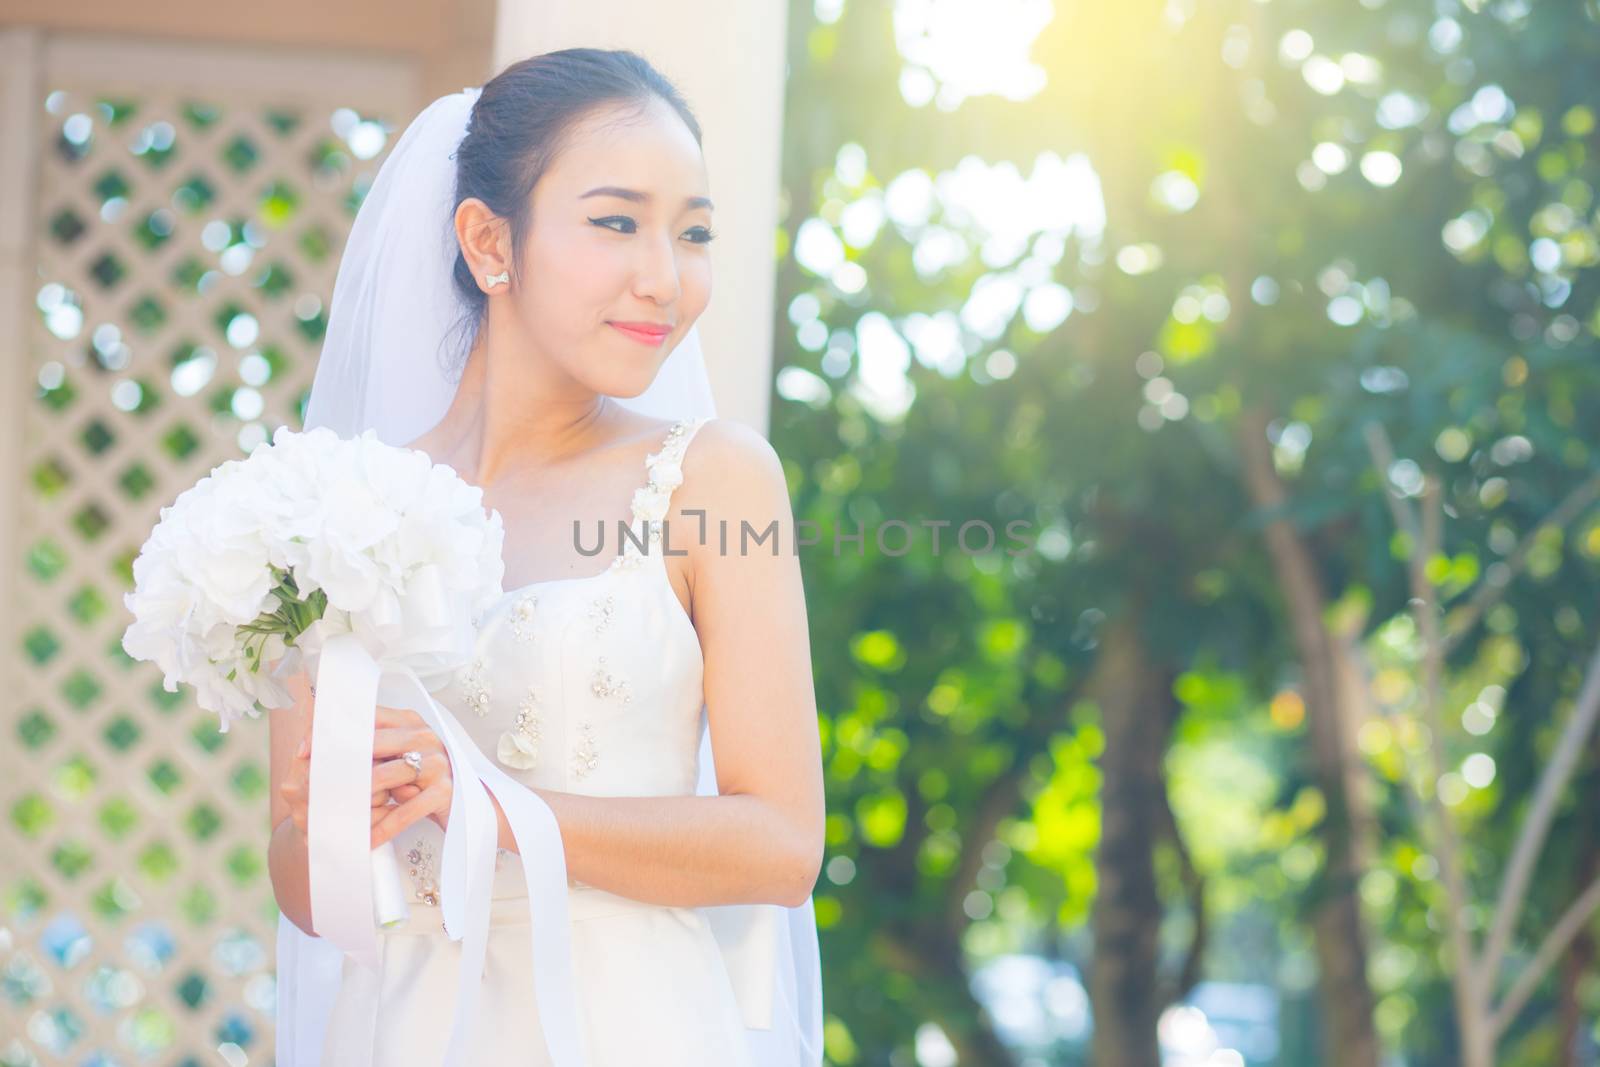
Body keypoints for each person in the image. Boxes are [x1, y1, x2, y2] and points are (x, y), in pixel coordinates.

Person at [265, 49, 825, 1066]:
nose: (666, 276)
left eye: (692, 231)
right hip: (403, 1029)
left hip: (634, 1027)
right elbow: (306, 892)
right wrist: (342, 813)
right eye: (617, 221)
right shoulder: (335, 511)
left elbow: (783, 845)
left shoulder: (716, 480)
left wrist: (488, 805)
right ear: (489, 239)